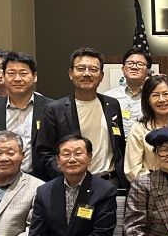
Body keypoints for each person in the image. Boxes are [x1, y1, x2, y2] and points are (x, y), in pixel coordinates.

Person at [36, 46, 126, 187]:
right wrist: (67, 176)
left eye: (93, 69)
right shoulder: (55, 109)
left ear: (101, 76)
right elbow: (44, 151)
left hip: (110, 182)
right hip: (72, 183)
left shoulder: (112, 105)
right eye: (81, 68)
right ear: (71, 73)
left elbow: (119, 146)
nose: (87, 74)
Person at [0, 51, 50, 180]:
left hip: (41, 182)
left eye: (23, 73)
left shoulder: (51, 108)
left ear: (34, 77)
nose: (17, 78)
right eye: (11, 73)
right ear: (4, 76)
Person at [124, 74, 168, 178]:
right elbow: (133, 170)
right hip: (149, 184)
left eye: (166, 94)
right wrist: (160, 183)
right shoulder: (138, 130)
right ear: (148, 100)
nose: (161, 99)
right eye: (155, 95)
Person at [104, 48, 151, 137]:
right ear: (123, 69)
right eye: (130, 63)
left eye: (140, 64)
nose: (134, 67)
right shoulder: (109, 97)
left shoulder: (155, 96)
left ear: (148, 71)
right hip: (117, 144)